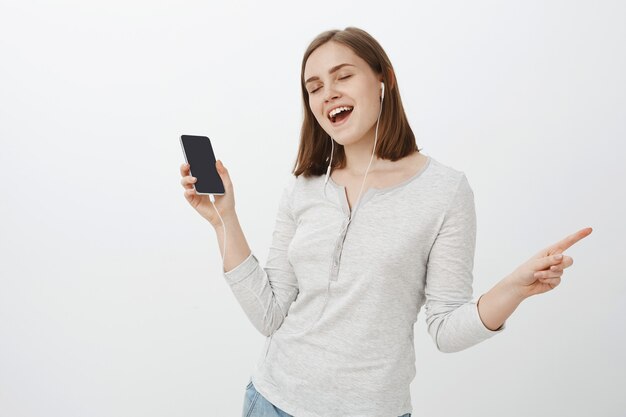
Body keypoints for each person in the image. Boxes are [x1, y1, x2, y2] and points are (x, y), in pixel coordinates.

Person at [179, 27, 592, 417]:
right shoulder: (304, 187)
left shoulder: (444, 191)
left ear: (384, 79)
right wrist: (224, 220)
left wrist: (514, 288)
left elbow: (446, 328)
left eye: (343, 76)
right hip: (272, 401)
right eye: (314, 87)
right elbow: (269, 314)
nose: (328, 94)